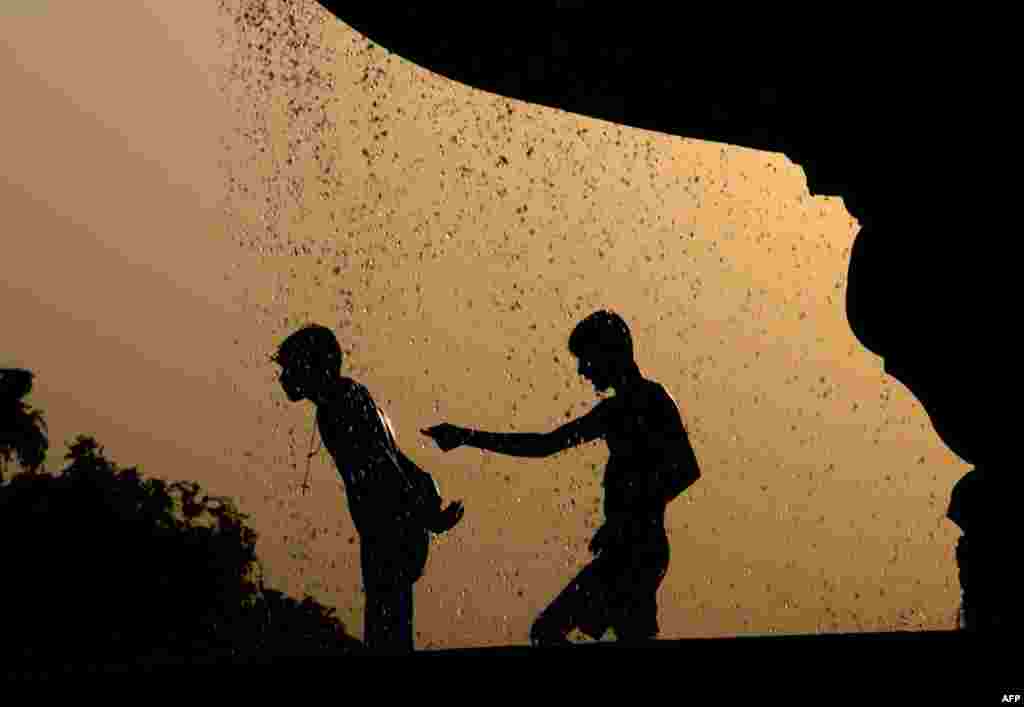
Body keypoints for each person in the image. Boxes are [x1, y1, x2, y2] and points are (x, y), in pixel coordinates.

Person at [422, 310, 700, 645]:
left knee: (548, 632)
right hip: (631, 551)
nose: (583, 371)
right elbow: (545, 444)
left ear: (610, 353)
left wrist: (629, 519)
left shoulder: (651, 401)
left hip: (636, 551)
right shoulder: (614, 411)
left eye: (587, 360)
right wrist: (466, 436)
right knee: (623, 637)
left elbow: (686, 470)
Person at [272, 324, 465, 654]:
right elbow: (393, 459)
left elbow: (383, 466)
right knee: (392, 627)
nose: (283, 377)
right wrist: (424, 507)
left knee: (385, 635)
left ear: (314, 366)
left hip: (390, 526)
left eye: (290, 367)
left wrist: (425, 516)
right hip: (397, 522)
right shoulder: (351, 395)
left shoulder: (337, 406)